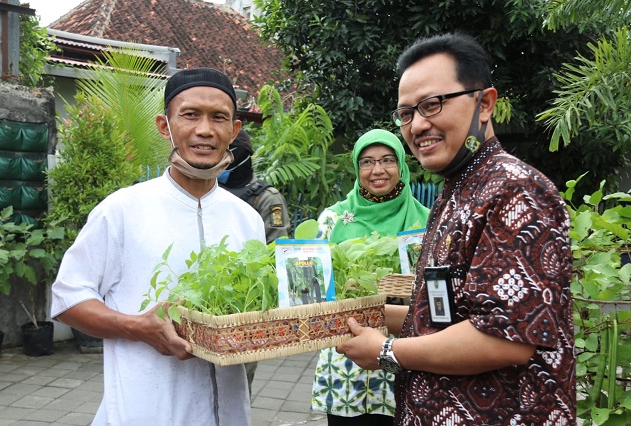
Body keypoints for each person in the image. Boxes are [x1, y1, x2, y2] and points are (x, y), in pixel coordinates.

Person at [336, 33, 576, 425]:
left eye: (432, 105)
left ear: (485, 103)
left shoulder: (515, 190)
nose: (417, 125)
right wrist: (361, 314)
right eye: (406, 113)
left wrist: (386, 351)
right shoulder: (457, 191)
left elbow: (505, 339)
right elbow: (444, 314)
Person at [50, 68, 265, 425]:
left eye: (218, 118)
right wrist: (138, 327)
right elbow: (68, 299)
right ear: (165, 126)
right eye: (190, 115)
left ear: (234, 130)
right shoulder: (122, 209)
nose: (205, 130)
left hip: (229, 413)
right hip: (145, 410)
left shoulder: (246, 218)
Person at [311, 129, 430, 425]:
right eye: (367, 162)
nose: (377, 170)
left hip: (406, 352)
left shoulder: (427, 219)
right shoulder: (333, 219)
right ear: (356, 168)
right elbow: (313, 283)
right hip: (344, 358)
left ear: (401, 165)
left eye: (388, 160)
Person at [218, 128, 291, 392]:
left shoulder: (265, 197)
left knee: (236, 386)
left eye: (227, 152)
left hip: (244, 308)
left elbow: (277, 252)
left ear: (241, 157)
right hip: (210, 301)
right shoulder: (210, 190)